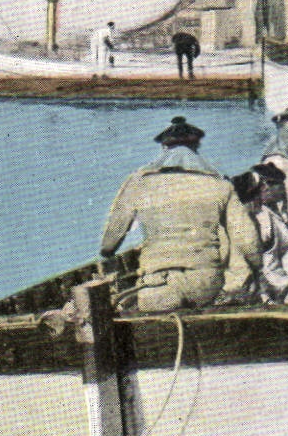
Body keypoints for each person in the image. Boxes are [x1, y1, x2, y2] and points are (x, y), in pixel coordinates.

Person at [99, 116, 260, 312]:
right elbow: (247, 240)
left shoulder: (138, 183)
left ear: (164, 148)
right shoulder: (220, 184)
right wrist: (256, 267)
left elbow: (110, 240)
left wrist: (107, 253)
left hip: (157, 283)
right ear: (195, 148)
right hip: (205, 283)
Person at [232, 161, 288, 302]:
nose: (264, 191)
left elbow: (286, 249)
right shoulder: (234, 227)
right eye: (258, 191)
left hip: (281, 283)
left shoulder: (268, 217)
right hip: (252, 291)